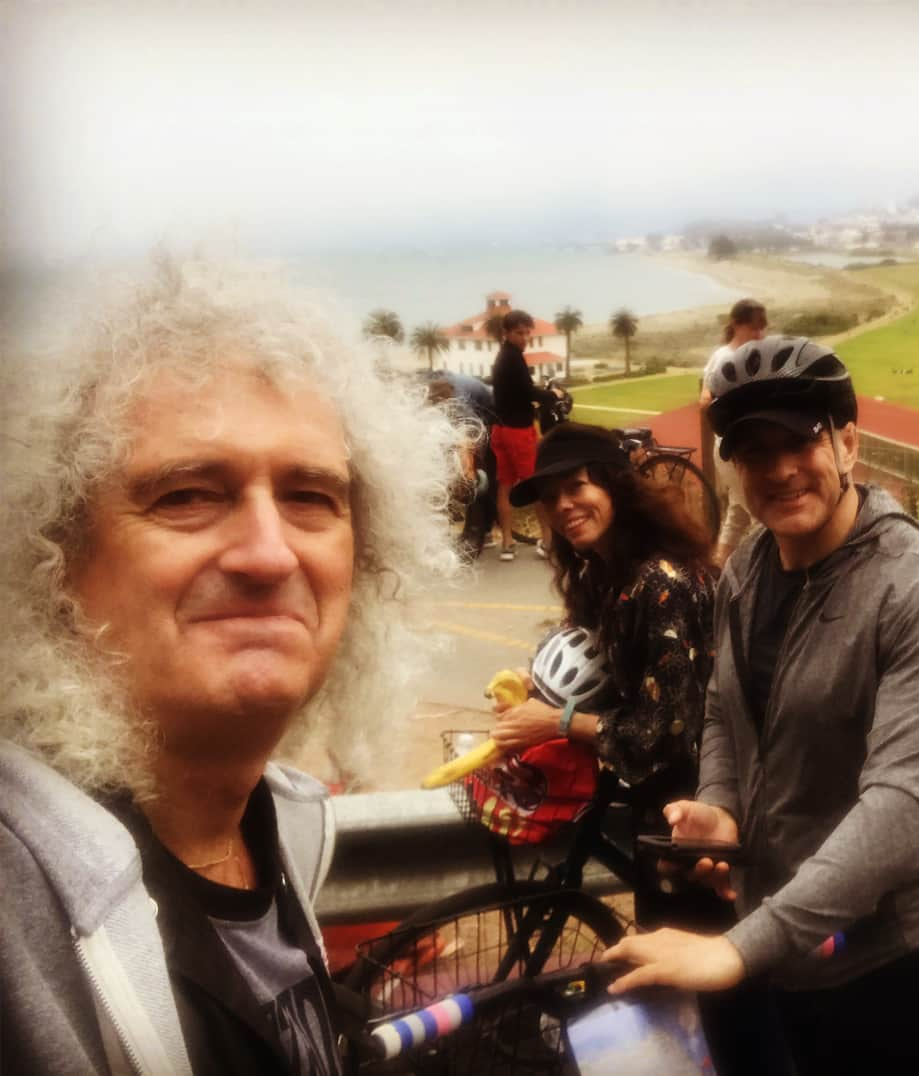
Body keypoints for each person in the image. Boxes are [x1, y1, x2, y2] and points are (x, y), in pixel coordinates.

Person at [0, 256, 462, 1074]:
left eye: (311, 496)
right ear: (53, 557)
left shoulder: (278, 827)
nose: (266, 552)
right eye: (185, 495)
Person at [605, 336, 919, 1076]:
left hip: (896, 956)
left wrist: (740, 946)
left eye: (800, 440)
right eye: (753, 449)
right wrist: (721, 807)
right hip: (790, 936)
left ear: (847, 443)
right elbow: (722, 705)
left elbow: (904, 807)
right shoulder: (749, 567)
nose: (778, 469)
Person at [491, 422, 716, 924]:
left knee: (684, 958)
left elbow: (663, 735)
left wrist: (555, 722)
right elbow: (595, 664)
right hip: (648, 801)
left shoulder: (663, 584)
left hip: (692, 810)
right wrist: (534, 688)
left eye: (576, 487)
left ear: (612, 484)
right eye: (550, 498)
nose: (562, 507)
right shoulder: (602, 571)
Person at [699, 298, 768, 567]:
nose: (760, 334)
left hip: (736, 446)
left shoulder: (732, 356)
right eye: (754, 328)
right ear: (737, 325)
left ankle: (718, 570)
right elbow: (706, 401)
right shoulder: (728, 360)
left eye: (763, 328)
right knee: (762, 515)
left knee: (738, 513)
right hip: (733, 448)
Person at [489, 308, 558, 561]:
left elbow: (517, 389)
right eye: (519, 333)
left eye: (527, 333)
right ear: (506, 333)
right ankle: (548, 541)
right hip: (518, 431)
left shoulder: (502, 357)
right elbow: (528, 391)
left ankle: (507, 543)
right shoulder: (514, 357)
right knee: (535, 484)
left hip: (500, 429)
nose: (524, 338)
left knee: (505, 486)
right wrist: (553, 396)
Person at [427, 373, 499, 560]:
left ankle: (478, 533)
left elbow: (468, 441)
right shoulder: (431, 400)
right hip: (472, 414)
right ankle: (482, 530)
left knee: (477, 485)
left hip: (494, 412)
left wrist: (468, 475)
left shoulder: (460, 407)